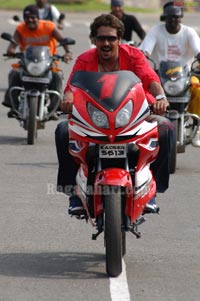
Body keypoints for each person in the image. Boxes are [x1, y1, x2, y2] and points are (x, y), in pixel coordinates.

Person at [55, 13, 174, 216]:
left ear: (119, 39)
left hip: (134, 116)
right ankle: (72, 192)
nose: (107, 43)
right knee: (63, 130)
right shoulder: (85, 59)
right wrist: (67, 100)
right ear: (94, 40)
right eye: (101, 38)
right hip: (94, 119)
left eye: (111, 38)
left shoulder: (134, 55)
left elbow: (149, 78)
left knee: (165, 128)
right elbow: (71, 86)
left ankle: (153, 189)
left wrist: (161, 97)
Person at [139, 1, 200, 147]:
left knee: (198, 89)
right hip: (160, 75)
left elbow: (197, 49)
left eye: (176, 17)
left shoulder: (189, 32)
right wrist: (143, 54)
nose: (173, 20)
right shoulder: (156, 31)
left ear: (181, 18)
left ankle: (197, 130)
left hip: (185, 75)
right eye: (170, 17)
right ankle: (143, 128)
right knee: (142, 92)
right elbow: (145, 49)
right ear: (164, 18)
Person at [2, 5, 72, 119]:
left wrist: (68, 52)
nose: (30, 20)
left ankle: (54, 107)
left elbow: (63, 40)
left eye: (33, 17)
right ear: (24, 18)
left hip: (48, 61)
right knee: (14, 73)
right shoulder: (20, 28)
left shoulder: (49, 26)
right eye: (27, 17)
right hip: (27, 61)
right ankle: (12, 105)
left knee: (57, 75)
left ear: (38, 18)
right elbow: (13, 44)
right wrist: (11, 50)